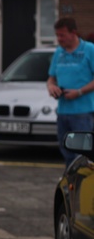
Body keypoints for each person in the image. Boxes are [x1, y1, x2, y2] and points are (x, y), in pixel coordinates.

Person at [47, 17, 94, 166]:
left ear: (73, 33)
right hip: (63, 112)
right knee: (65, 150)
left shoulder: (89, 50)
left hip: (83, 112)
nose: (59, 39)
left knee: (82, 155)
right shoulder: (58, 52)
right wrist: (51, 87)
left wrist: (79, 92)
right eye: (57, 35)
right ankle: (69, 182)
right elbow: (51, 78)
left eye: (62, 35)